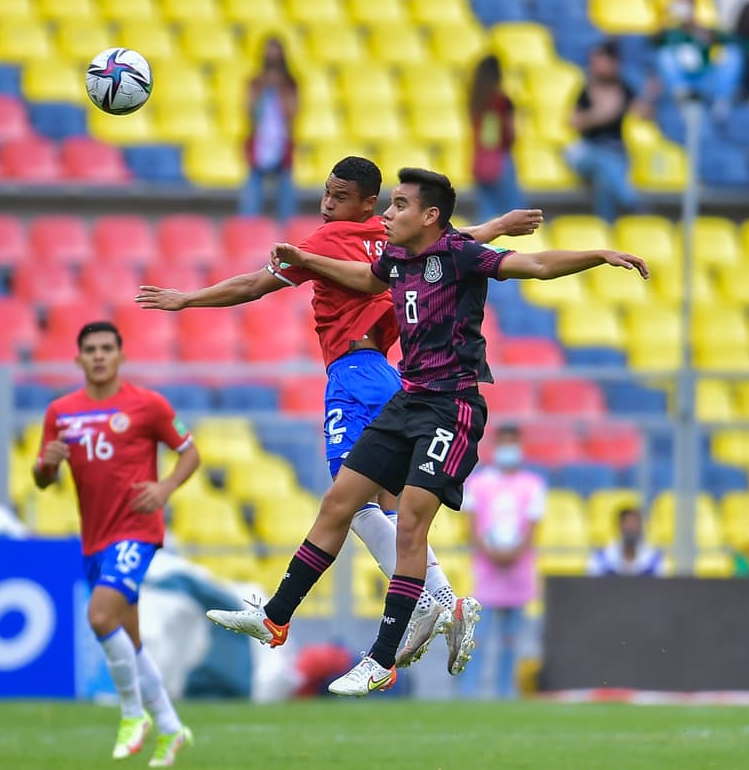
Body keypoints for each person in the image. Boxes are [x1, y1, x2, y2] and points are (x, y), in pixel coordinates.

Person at [205, 167, 648, 697]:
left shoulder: (459, 256)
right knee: (339, 502)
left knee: (410, 522)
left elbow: (534, 265)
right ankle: (277, 618)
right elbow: (365, 278)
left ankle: (382, 658)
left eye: (396, 206)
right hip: (407, 399)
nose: (386, 216)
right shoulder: (397, 259)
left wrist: (597, 254)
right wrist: (305, 260)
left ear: (428, 216)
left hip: (452, 406)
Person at [137, 156, 543, 674]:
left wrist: (186, 300)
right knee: (384, 501)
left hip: (355, 375)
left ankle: (428, 600)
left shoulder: (325, 243)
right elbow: (451, 240)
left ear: (366, 202)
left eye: (338, 195)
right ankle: (443, 600)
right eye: (325, 193)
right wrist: (498, 227)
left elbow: (252, 285)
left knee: (345, 495)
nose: (327, 203)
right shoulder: (394, 236)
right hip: (390, 375)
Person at [35, 321, 197, 765]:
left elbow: (190, 452)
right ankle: (169, 726)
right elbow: (42, 479)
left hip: (137, 530)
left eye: (108, 348)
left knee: (100, 615)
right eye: (91, 349)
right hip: (95, 539)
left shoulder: (148, 405)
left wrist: (163, 490)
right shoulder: (61, 413)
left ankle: (131, 713)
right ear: (79, 359)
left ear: (121, 356)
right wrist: (46, 467)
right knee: (128, 637)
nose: (100, 356)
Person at [457, 425, 545, 700]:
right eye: (504, 443)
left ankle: (505, 693)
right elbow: (471, 525)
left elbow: (532, 527)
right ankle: (468, 693)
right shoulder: (478, 484)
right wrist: (490, 551)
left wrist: (515, 552)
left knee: (511, 639)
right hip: (487, 569)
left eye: (513, 443)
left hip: (517, 571)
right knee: (477, 637)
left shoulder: (532, 485)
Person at [565, 40, 651, 223]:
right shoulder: (586, 88)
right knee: (603, 162)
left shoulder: (624, 88)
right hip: (590, 149)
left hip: (616, 152)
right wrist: (599, 115)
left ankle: (606, 228)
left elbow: (643, 113)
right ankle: (631, 200)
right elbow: (573, 122)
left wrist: (649, 95)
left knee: (604, 180)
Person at [652, 0, 741, 109]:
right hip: (681, 80)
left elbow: (730, 40)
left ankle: (721, 101)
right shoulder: (670, 32)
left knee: (733, 54)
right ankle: (681, 95)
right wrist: (665, 18)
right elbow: (653, 42)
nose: (684, 7)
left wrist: (698, 27)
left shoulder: (703, 30)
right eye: (681, 2)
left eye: (688, 3)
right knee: (664, 54)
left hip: (705, 77)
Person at [240, 37, 298, 222]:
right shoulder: (256, 83)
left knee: (285, 190)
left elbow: (292, 113)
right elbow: (248, 110)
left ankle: (288, 228)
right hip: (260, 141)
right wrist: (264, 87)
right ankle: (248, 227)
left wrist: (280, 89)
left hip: (282, 141)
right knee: (252, 189)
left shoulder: (289, 84)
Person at [468, 55, 522, 223]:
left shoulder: (476, 100)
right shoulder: (502, 101)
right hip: (500, 159)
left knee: (486, 213)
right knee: (513, 211)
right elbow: (510, 132)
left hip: (480, 159)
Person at [587, 507, 665, 577]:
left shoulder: (654, 559)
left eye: (635, 524)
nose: (632, 528)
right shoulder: (601, 558)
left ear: (641, 527)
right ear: (619, 526)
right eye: (628, 524)